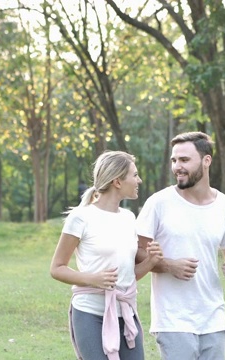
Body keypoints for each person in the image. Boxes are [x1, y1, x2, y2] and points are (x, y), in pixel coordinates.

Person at [136, 131, 225, 360]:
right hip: (173, 318)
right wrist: (168, 265)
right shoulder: (159, 202)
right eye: (174, 160)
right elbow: (136, 252)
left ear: (206, 160)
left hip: (213, 317)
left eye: (184, 160)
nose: (177, 166)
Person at [50, 151, 163, 360]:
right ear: (117, 181)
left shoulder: (129, 218)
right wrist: (92, 279)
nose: (139, 180)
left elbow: (126, 276)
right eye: (134, 175)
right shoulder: (81, 217)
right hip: (89, 314)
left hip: (125, 313)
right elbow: (57, 268)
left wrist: (151, 261)